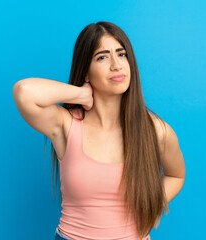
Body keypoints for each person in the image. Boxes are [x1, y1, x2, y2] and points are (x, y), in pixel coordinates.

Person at [12, 21, 185, 240]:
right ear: (85, 71)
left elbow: (176, 175)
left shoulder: (156, 131)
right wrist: (79, 95)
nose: (116, 65)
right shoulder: (66, 125)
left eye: (121, 54)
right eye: (102, 57)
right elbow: (23, 91)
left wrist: (153, 206)